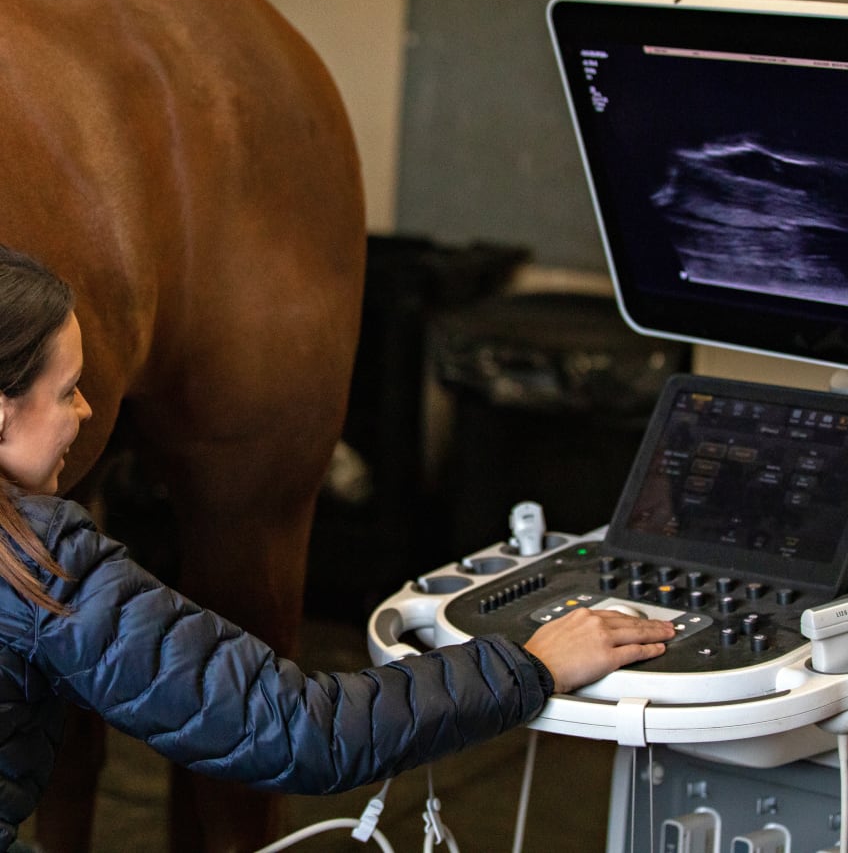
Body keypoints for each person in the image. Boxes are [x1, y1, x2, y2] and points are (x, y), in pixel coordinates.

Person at [0, 244, 674, 851]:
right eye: (67, 392)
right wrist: (531, 665)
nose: (86, 412)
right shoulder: (38, 561)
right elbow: (301, 731)